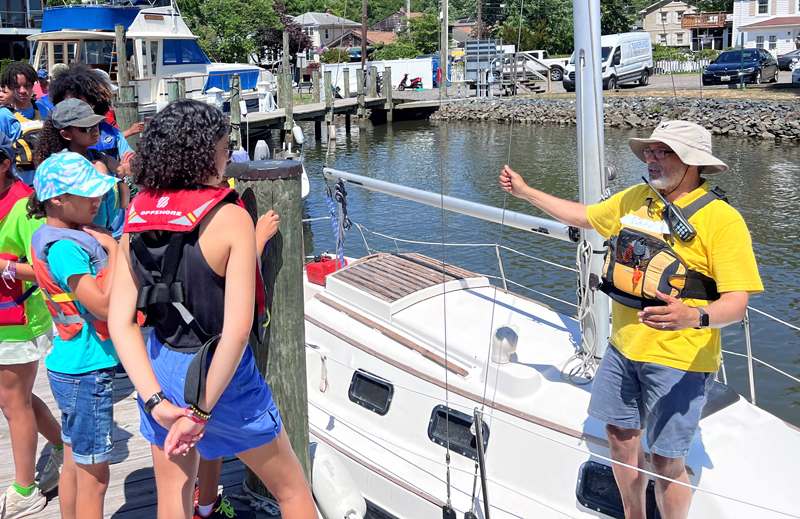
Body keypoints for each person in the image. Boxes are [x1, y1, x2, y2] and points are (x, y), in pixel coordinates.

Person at [499, 120, 762, 519]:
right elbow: (585, 217)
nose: (651, 159)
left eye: (663, 152)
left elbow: (737, 304)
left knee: (665, 462)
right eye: (650, 151)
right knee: (619, 438)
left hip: (681, 361)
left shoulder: (722, 220)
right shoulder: (636, 198)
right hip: (622, 348)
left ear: (692, 162)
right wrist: (525, 191)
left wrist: (695, 315)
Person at [107, 99, 315, 519]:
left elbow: (120, 322)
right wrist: (200, 411)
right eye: (224, 147)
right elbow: (237, 331)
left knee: (173, 499)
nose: (227, 157)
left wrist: (155, 404)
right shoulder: (230, 218)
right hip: (220, 373)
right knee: (292, 492)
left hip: (162, 366)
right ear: (202, 153)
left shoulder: (137, 213)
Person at [27, 151, 121, 519]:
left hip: (70, 364)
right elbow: (100, 306)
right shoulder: (66, 246)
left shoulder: (59, 235)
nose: (97, 199)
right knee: (95, 476)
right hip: (87, 368)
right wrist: (114, 250)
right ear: (58, 200)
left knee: (74, 460)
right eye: (88, 194)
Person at [0, 134, 64, 518]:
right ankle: (60, 447)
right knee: (13, 397)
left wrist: (4, 266)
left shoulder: (24, 205)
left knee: (12, 401)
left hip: (19, 321)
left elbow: (48, 268)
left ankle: (26, 491)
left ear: (4, 163)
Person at [33, 98, 131, 234]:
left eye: (96, 125)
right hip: (82, 237)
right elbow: (96, 207)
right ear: (66, 134)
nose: (95, 131)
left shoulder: (100, 157)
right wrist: (102, 171)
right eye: (86, 128)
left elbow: (123, 204)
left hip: (108, 233)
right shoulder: (63, 167)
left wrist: (121, 172)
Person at [0, 62, 53, 186]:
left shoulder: (43, 109)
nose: (22, 91)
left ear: (33, 85)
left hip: (45, 182)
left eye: (26, 85)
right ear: (9, 87)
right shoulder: (4, 116)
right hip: (20, 184)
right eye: (16, 87)